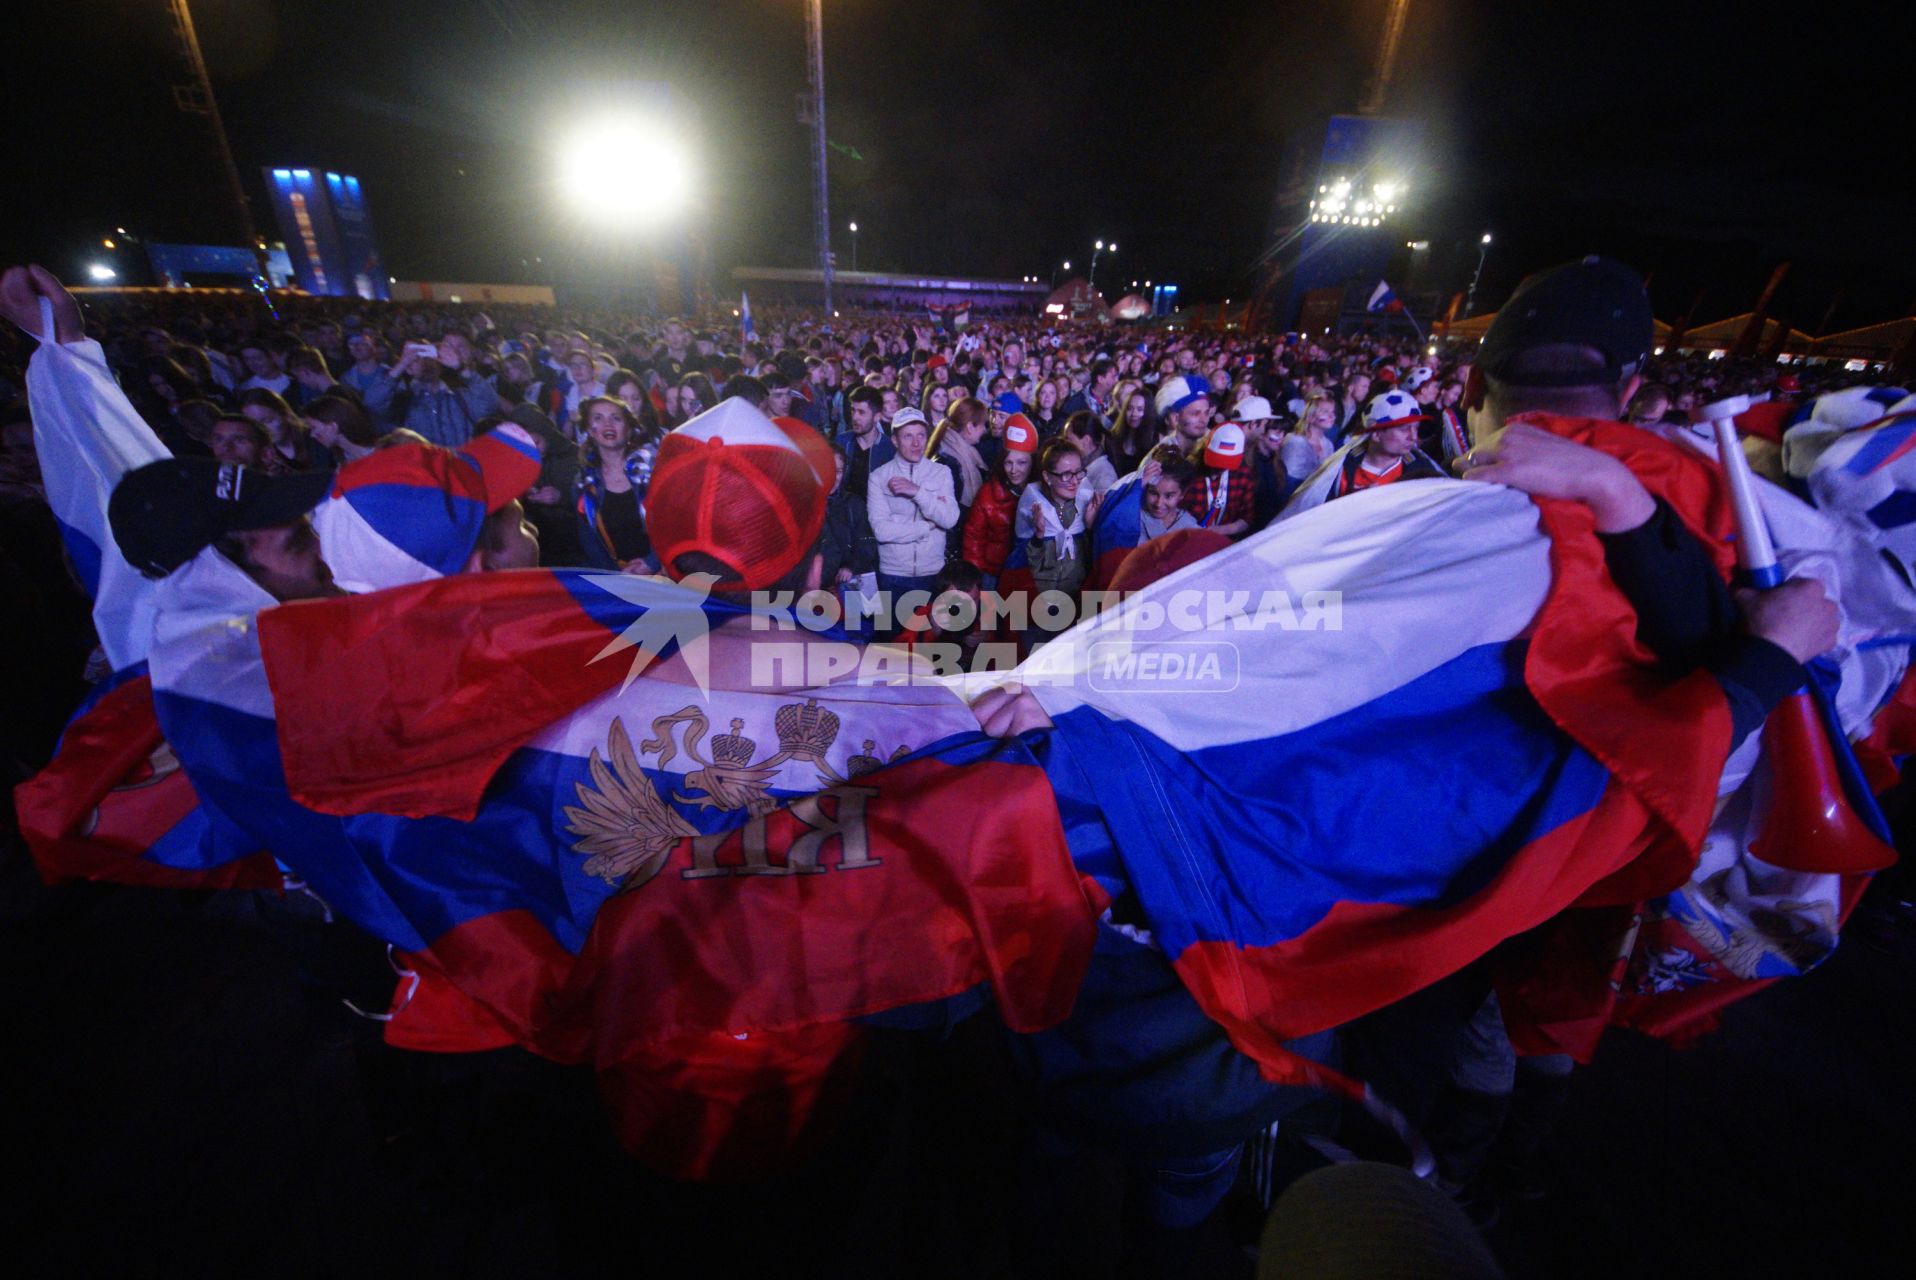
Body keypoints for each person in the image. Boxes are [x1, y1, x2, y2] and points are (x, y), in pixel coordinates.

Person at [867, 406, 958, 631]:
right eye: (908, 436)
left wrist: (916, 491)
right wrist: (926, 526)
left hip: (933, 574)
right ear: (895, 441)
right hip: (893, 576)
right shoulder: (878, 477)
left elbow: (950, 519)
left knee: (930, 650)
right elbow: (882, 531)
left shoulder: (941, 472)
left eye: (921, 435)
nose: (916, 443)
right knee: (892, 649)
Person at [574, 395, 656, 571]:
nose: (608, 424)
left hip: (664, 572)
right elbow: (590, 542)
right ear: (589, 430)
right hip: (619, 579)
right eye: (598, 418)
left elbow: (675, 523)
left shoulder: (652, 467)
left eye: (616, 418)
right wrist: (617, 577)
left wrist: (651, 563)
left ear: (628, 429)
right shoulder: (584, 482)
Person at [1323, 390, 1448, 501]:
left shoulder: (1423, 470)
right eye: (1404, 429)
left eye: (1416, 428)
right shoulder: (1341, 468)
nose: (1413, 437)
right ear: (1376, 434)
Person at [1015, 437, 1099, 600]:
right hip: (1040, 602)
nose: (1075, 481)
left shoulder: (1087, 503)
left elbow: (1093, 562)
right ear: (1047, 477)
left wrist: (1090, 527)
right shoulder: (1032, 505)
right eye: (1066, 475)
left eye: (1078, 472)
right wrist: (1038, 537)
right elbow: (1024, 565)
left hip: (1078, 600)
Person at [961, 414, 1037, 586]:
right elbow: (973, 537)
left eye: (1021, 463)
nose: (1013, 470)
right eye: (1008, 463)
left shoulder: (1042, 492)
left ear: (1033, 463)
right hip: (993, 573)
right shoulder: (988, 493)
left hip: (1029, 572)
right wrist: (974, 580)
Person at [1180, 422, 1255, 538]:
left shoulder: (1243, 474)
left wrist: (1220, 531)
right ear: (1206, 447)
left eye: (1227, 463)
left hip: (1225, 543)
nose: (1220, 468)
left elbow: (1247, 518)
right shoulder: (1188, 473)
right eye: (1216, 460)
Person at [236, 388, 323, 472]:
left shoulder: (315, 438)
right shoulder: (261, 458)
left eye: (267, 421)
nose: (263, 430)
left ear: (285, 415)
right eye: (256, 425)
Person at [1139, 446, 1200, 541]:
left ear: (1182, 494)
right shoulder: (1135, 518)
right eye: (1153, 493)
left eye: (1169, 496)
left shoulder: (1190, 527)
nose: (1159, 503)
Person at [1281, 390, 1339, 484]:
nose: (1332, 416)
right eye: (1325, 412)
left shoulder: (1328, 445)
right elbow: (1289, 479)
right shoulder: (1295, 442)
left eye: (1333, 412)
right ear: (1310, 417)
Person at [1061, 410, 1117, 495]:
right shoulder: (1080, 466)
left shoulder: (1105, 477)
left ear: (1086, 440)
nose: (1064, 443)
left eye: (1068, 439)